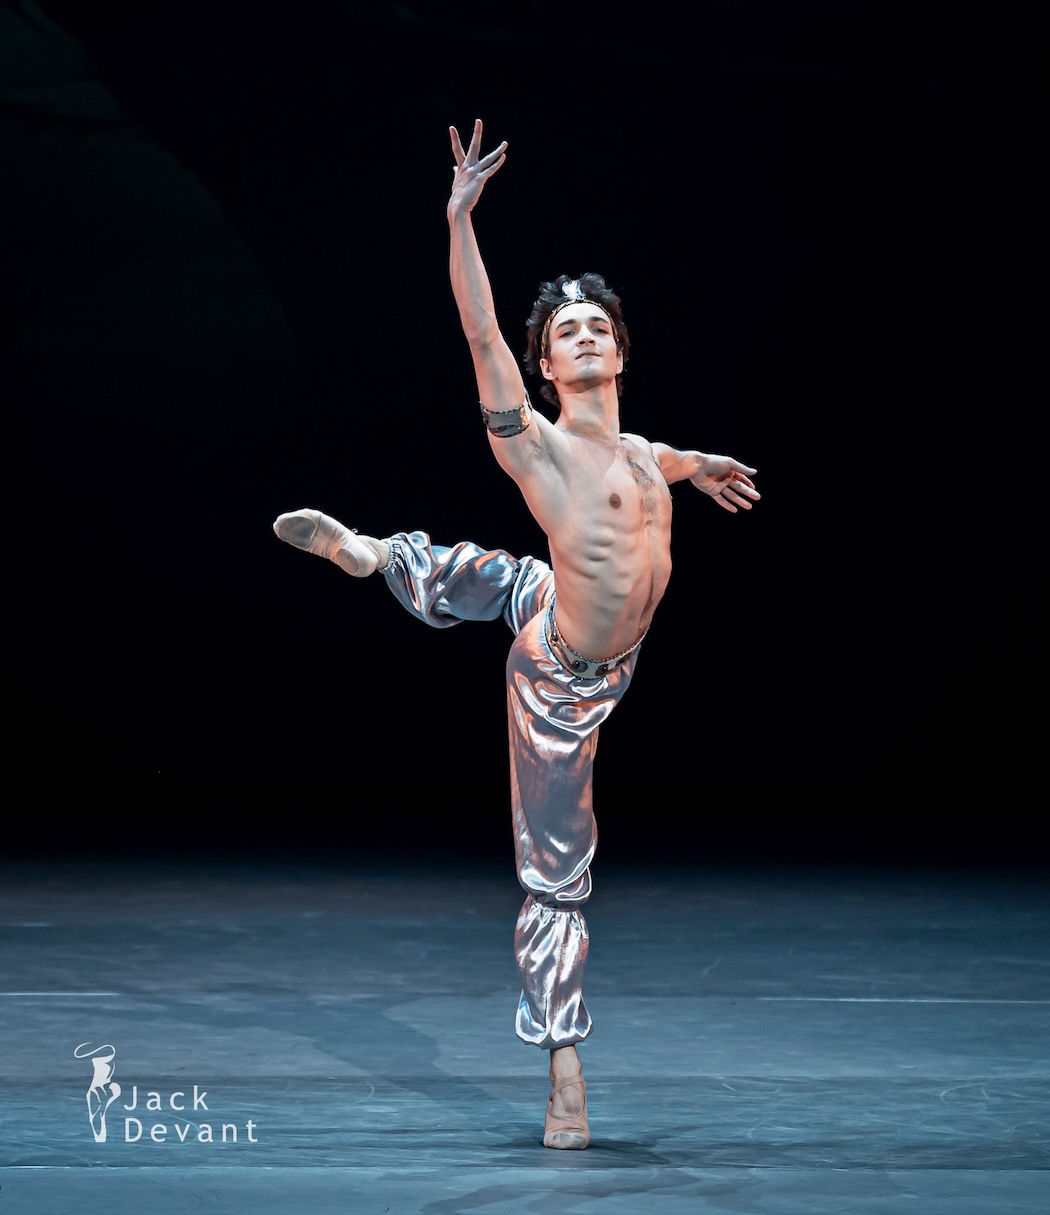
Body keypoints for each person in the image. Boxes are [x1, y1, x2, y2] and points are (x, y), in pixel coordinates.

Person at [273, 119, 759, 1150]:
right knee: (558, 868)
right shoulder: (536, 447)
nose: (582, 334)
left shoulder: (634, 448)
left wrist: (704, 458)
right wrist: (459, 220)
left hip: (592, 636)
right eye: (564, 331)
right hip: (561, 681)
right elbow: (480, 333)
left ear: (620, 349)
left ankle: (379, 555)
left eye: (597, 325)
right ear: (543, 369)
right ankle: (564, 1069)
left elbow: (659, 455)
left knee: (503, 578)